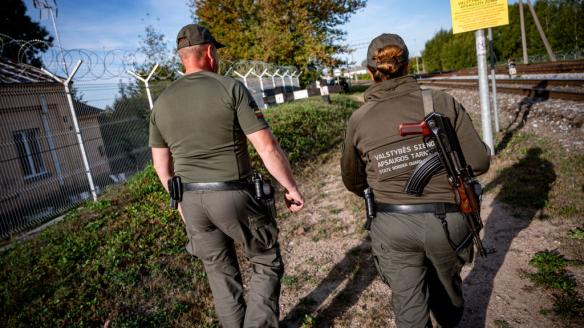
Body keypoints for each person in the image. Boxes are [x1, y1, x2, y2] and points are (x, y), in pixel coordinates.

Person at [149, 24, 304, 328]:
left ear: (183, 58)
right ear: (209, 52)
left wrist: (181, 203)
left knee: (220, 276)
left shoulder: (162, 102)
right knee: (265, 259)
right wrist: (290, 187)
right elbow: (267, 146)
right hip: (233, 194)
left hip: (191, 200)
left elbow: (160, 166)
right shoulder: (230, 87)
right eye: (216, 51)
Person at [341, 33, 490, 328]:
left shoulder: (358, 119)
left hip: (392, 227)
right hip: (448, 221)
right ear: (408, 66)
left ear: (371, 72)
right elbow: (479, 161)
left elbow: (353, 181)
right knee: (448, 297)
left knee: (409, 307)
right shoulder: (440, 101)